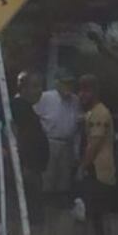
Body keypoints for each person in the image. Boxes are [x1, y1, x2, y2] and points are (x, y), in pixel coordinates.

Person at [77, 74, 116, 235]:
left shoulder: (100, 113)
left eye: (86, 90)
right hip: (94, 173)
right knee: (93, 220)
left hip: (99, 174)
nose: (82, 94)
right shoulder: (90, 113)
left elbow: (94, 143)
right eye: (81, 90)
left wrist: (82, 166)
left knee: (99, 221)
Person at [34, 69, 81, 198]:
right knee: (47, 182)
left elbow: (77, 129)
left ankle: (59, 213)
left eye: (71, 83)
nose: (68, 87)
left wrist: (76, 153)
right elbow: (32, 117)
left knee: (64, 185)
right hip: (50, 143)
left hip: (67, 145)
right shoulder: (45, 97)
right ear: (57, 83)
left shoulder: (75, 100)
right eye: (65, 83)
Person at [10, 71, 49, 225]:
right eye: (34, 86)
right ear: (23, 89)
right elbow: (15, 136)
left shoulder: (27, 108)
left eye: (40, 86)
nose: (39, 90)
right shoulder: (18, 108)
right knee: (29, 215)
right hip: (26, 169)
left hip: (33, 169)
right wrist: (23, 165)